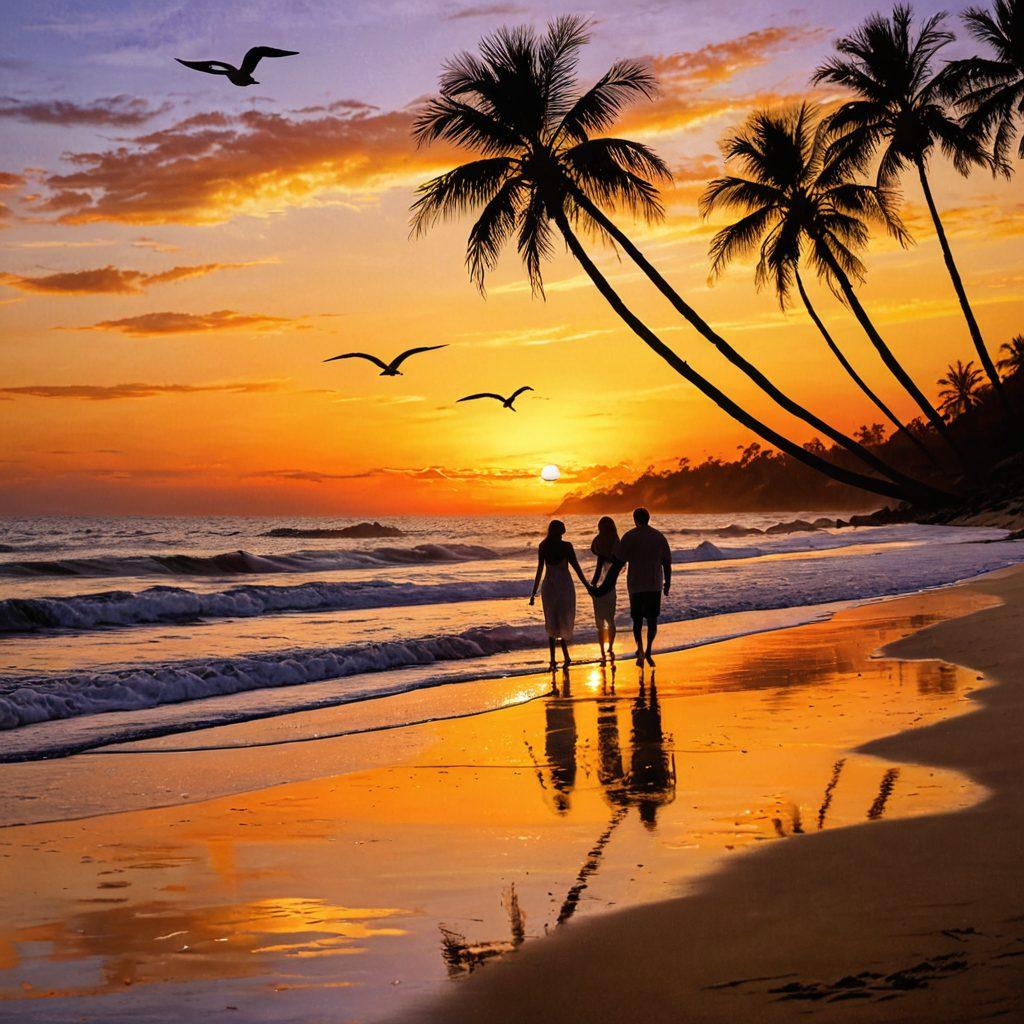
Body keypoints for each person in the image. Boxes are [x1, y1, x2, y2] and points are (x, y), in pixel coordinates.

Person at [600, 507, 671, 667]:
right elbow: (667, 562)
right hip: (654, 584)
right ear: (648, 518)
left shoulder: (629, 536)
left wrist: (606, 583)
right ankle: (649, 650)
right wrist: (667, 583)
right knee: (652, 620)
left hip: (636, 584)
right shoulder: (658, 536)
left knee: (637, 620)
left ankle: (640, 649)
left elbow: (618, 561)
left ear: (635, 519)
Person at [529, 520, 592, 669]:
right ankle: (565, 657)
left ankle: (553, 660)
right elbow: (576, 568)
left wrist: (534, 593)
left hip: (549, 587)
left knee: (551, 620)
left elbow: (540, 571)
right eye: (563, 527)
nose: (565, 529)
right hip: (564, 587)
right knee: (563, 620)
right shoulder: (566, 546)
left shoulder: (543, 546)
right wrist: (587, 586)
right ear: (559, 530)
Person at [589, 516, 619, 664]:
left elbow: (593, 550)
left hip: (599, 587)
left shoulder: (599, 544)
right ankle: (610, 648)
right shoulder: (616, 542)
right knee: (610, 619)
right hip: (611, 587)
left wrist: (592, 585)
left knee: (600, 621)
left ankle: (602, 652)